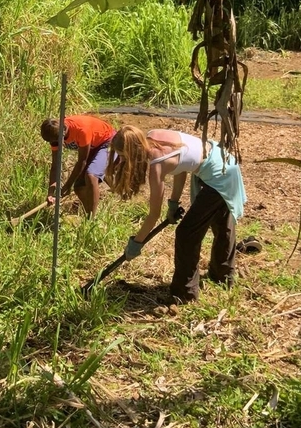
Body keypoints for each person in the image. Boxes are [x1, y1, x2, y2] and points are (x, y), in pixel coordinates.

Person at [105, 125, 246, 303]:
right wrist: (173, 204)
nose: (123, 160)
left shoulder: (157, 163)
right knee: (220, 220)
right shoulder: (153, 135)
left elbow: (153, 215)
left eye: (124, 156)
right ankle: (223, 275)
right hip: (223, 159)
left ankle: (184, 293)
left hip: (220, 174)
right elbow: (181, 167)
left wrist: (136, 243)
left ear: (133, 153)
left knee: (187, 233)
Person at [41, 114, 116, 218]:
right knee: (79, 186)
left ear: (63, 133)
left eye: (56, 142)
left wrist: (67, 186)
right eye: (52, 142)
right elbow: (55, 165)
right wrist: (51, 191)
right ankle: (87, 213)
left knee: (91, 176)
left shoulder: (81, 130)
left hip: (108, 141)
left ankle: (90, 222)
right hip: (93, 146)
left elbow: (82, 161)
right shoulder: (54, 136)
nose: (54, 144)